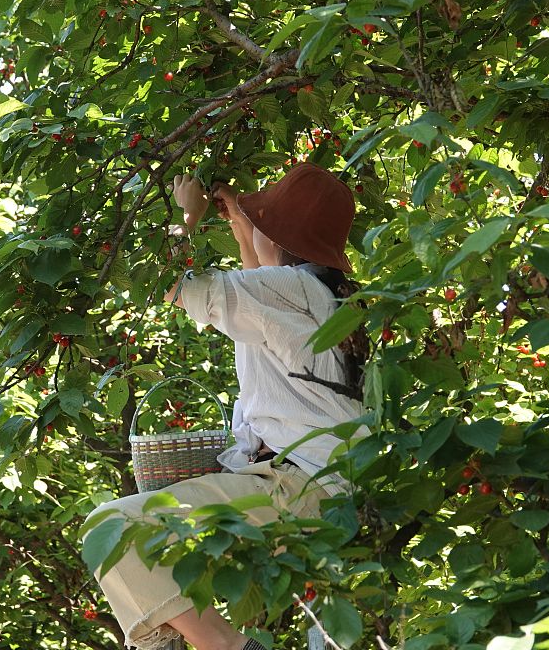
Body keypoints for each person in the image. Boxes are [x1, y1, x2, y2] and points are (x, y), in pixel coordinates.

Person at [83, 162, 369, 650]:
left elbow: (167, 283)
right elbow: (257, 288)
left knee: (112, 528)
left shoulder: (289, 289)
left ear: (278, 239)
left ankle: (229, 647)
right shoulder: (327, 294)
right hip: (327, 491)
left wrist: (186, 218)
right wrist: (243, 223)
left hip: (294, 489)